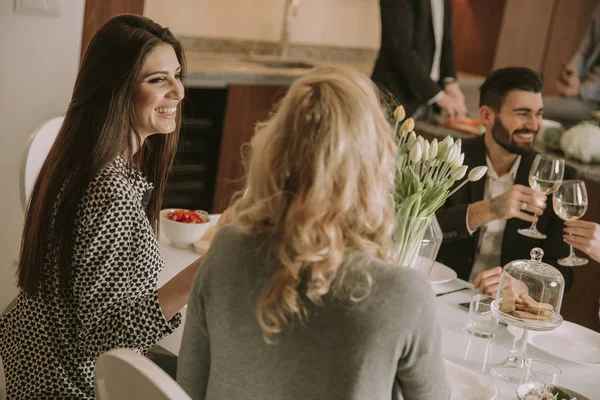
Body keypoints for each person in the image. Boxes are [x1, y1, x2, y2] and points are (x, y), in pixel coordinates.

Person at [177, 66, 450, 400]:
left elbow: (187, 388)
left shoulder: (226, 248)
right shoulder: (404, 294)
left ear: (273, 150)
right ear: (378, 164)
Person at [0, 14, 211, 399]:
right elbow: (102, 341)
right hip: (68, 385)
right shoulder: (110, 192)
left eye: (177, 74)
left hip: (36, 362)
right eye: (158, 80)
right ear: (115, 92)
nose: (179, 91)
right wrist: (202, 270)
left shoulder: (82, 160)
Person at [436, 67, 575, 297]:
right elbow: (421, 229)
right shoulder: (450, 156)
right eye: (522, 113)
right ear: (487, 116)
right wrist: (488, 209)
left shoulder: (558, 176)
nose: (534, 124)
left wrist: (524, 286)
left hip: (507, 307)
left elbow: (563, 270)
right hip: (445, 291)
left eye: (538, 113)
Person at [371, 0, 468, 119]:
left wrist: (450, 82)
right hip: (395, 95)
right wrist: (438, 96)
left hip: (429, 101)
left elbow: (446, 41)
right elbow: (400, 48)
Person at [543, 3, 600, 126]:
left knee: (537, 109)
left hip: (595, 101)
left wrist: (581, 91)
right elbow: (585, 50)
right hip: (583, 91)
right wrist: (572, 73)